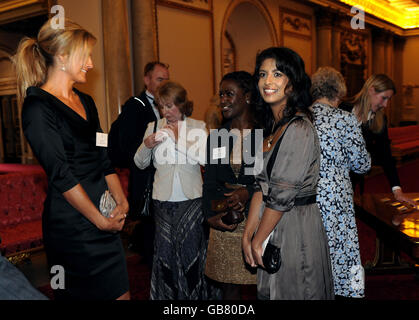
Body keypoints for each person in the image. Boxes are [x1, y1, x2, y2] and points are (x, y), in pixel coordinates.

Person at [13, 18, 130, 300]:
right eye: (85, 55)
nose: (91, 63)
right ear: (62, 57)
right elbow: (61, 174)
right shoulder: (37, 107)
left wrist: (121, 200)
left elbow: (103, 156)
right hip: (73, 229)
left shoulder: (86, 101)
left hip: (104, 217)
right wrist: (99, 222)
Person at [242, 47, 334, 300]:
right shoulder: (270, 129)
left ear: (292, 85)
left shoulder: (299, 128)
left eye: (277, 74)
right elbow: (260, 186)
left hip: (296, 226)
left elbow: (282, 195)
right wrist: (248, 232)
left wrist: (257, 240)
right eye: (262, 74)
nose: (267, 81)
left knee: (296, 289)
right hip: (271, 223)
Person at [134, 81, 208, 300]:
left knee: (191, 253)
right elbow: (139, 163)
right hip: (163, 202)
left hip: (191, 200)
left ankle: (194, 297)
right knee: (165, 254)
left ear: (182, 105)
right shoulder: (153, 127)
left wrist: (178, 140)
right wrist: (146, 145)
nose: (165, 112)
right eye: (161, 106)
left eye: (169, 106)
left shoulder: (197, 127)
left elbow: (205, 159)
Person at [310, 66, 371, 298]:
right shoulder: (344, 119)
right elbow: (362, 164)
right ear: (339, 92)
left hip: (308, 199)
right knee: (343, 253)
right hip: (336, 200)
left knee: (315, 252)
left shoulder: (301, 116)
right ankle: (347, 292)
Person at [203, 71, 262, 300]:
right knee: (229, 288)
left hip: (258, 221)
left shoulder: (263, 133)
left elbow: (272, 180)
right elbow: (210, 183)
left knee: (262, 286)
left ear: (247, 96)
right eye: (221, 94)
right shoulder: (219, 136)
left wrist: (248, 192)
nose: (223, 100)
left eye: (229, 94)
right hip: (225, 220)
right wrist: (211, 216)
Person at [108, 61, 170, 266]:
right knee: (151, 230)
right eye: (159, 79)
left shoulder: (170, 104)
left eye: (166, 79)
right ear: (147, 80)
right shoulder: (135, 105)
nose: (164, 83)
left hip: (164, 178)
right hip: (145, 179)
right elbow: (128, 144)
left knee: (162, 231)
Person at [340, 74, 416, 206]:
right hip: (327, 178)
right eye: (384, 98)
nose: (385, 104)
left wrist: (397, 190)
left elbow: (386, 155)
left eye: (388, 100)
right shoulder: (342, 108)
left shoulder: (379, 120)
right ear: (371, 90)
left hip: (351, 182)